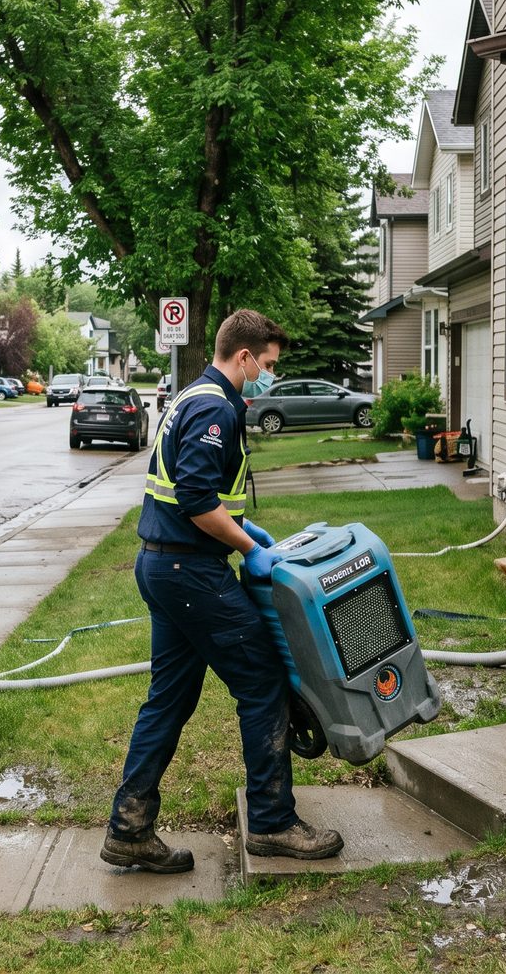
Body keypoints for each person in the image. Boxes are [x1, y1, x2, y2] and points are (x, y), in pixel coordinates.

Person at [102, 309, 344, 873]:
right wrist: (248, 546)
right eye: (267, 364)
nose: (268, 375)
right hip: (190, 574)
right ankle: (272, 823)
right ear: (243, 357)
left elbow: (194, 493)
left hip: (163, 566)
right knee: (261, 680)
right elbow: (195, 497)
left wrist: (243, 530)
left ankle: (129, 828)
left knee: (170, 698)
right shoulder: (214, 406)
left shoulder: (192, 395)